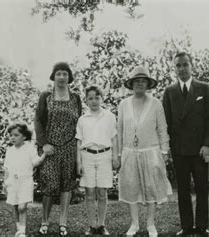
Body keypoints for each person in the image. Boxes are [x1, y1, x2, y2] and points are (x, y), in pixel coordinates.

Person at [162, 51, 209, 236]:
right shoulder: (169, 91)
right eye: (178, 65)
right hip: (179, 149)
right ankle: (186, 226)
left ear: (192, 65)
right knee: (182, 190)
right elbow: (166, 123)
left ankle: (202, 226)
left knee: (202, 188)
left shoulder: (204, 88)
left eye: (185, 64)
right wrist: (167, 148)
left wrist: (207, 144)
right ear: (174, 68)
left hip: (199, 148)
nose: (182, 68)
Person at [117, 66, 172, 237]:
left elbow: (162, 129)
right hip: (129, 152)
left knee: (151, 188)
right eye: (137, 81)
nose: (140, 84)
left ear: (148, 84)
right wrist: (118, 154)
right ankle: (134, 224)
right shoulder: (123, 104)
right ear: (132, 84)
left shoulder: (156, 104)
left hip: (151, 152)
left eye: (143, 81)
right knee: (132, 187)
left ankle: (150, 224)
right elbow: (119, 130)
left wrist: (164, 152)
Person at [34, 62, 82, 236]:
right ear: (53, 77)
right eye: (58, 74)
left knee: (67, 185)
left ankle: (63, 222)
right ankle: (45, 221)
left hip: (69, 148)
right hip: (50, 149)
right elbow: (38, 121)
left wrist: (78, 147)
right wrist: (44, 144)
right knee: (49, 185)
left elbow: (80, 123)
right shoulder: (45, 96)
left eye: (65, 74)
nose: (62, 77)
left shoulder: (75, 97)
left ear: (69, 78)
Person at [75, 86, 119, 236]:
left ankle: (101, 224)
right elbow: (79, 142)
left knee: (102, 192)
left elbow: (114, 138)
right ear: (86, 100)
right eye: (90, 98)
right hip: (87, 156)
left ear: (102, 98)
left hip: (104, 156)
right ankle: (92, 226)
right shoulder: (82, 119)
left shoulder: (110, 116)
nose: (94, 101)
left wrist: (115, 157)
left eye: (97, 97)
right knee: (89, 192)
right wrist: (79, 162)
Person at [3, 123, 47, 237]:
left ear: (24, 136)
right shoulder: (10, 151)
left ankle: (22, 231)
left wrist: (44, 155)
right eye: (11, 135)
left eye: (16, 135)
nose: (12, 137)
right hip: (12, 182)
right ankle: (20, 229)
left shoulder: (29, 148)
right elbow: (6, 168)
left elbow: (36, 162)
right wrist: (5, 182)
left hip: (25, 181)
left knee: (22, 206)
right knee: (15, 206)